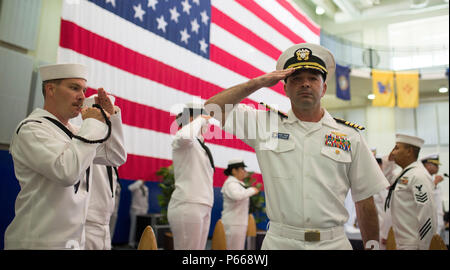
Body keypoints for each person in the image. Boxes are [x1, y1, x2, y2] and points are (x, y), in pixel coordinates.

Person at [205, 43, 389, 250]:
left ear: (324, 87)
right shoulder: (264, 125)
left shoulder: (349, 135)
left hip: (334, 243)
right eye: (296, 79)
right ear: (285, 88)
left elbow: (365, 202)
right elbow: (212, 108)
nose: (305, 84)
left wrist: (372, 247)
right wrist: (259, 82)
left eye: (312, 78)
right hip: (281, 243)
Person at [4, 63, 127, 249]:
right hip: (38, 242)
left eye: (84, 90)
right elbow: (66, 173)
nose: (82, 97)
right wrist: (93, 123)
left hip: (74, 242)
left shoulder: (77, 132)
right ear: (50, 89)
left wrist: (112, 116)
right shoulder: (32, 128)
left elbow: (115, 156)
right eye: (74, 88)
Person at [167, 102, 214, 250]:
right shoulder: (184, 141)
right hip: (188, 203)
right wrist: (199, 119)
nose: (207, 123)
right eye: (204, 118)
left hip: (204, 204)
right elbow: (186, 136)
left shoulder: (200, 145)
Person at [385, 134, 437, 250]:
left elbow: (427, 214)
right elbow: (383, 179)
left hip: (413, 244)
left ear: (409, 151)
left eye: (397, 148)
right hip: (401, 242)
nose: (393, 153)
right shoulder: (403, 174)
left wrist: (424, 246)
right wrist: (388, 162)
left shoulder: (418, 176)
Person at [221, 158, 259, 250]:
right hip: (233, 223)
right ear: (234, 171)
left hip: (238, 222)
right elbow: (237, 196)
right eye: (242, 169)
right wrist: (252, 190)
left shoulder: (238, 183)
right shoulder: (231, 183)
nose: (244, 171)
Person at [421, 154, 445, 236]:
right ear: (426, 165)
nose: (437, 167)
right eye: (435, 164)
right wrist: (435, 182)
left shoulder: (431, 179)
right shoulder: (421, 178)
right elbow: (423, 194)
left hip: (438, 221)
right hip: (428, 222)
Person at [128, 180, 149, 248]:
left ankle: (140, 242)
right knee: (133, 227)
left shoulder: (146, 188)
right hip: (135, 209)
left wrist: (146, 208)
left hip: (143, 210)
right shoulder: (136, 186)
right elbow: (130, 188)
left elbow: (146, 199)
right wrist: (139, 182)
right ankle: (131, 243)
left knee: (142, 227)